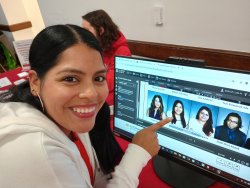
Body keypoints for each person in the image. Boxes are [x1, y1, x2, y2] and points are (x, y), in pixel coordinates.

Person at [0, 24, 172, 188]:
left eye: (98, 78)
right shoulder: (37, 153)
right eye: (70, 79)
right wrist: (137, 153)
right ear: (35, 82)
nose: (91, 94)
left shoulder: (65, 120)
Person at [82, 9, 131, 107]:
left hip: (110, 102)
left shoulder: (122, 51)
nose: (84, 35)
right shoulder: (96, 46)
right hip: (96, 92)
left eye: (87, 31)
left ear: (101, 30)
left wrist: (85, 83)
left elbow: (110, 82)